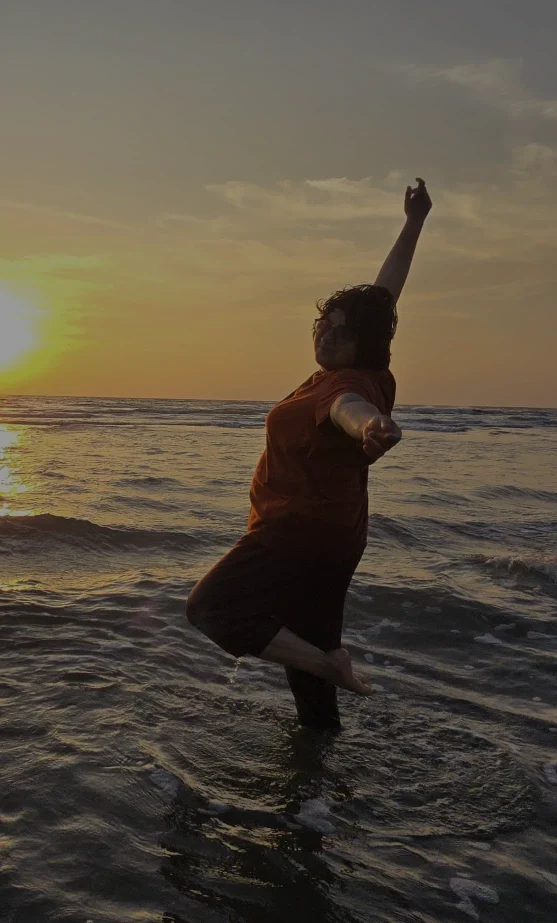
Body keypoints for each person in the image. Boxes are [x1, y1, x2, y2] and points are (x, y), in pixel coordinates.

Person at [186, 178, 432, 729]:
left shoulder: (345, 384)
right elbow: (385, 295)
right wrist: (414, 223)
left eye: (340, 332)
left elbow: (348, 409)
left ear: (363, 343)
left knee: (210, 608)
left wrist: (371, 426)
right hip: (337, 538)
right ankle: (320, 773)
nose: (325, 336)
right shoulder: (367, 370)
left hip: (295, 533)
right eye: (324, 324)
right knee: (309, 688)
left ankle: (330, 666)